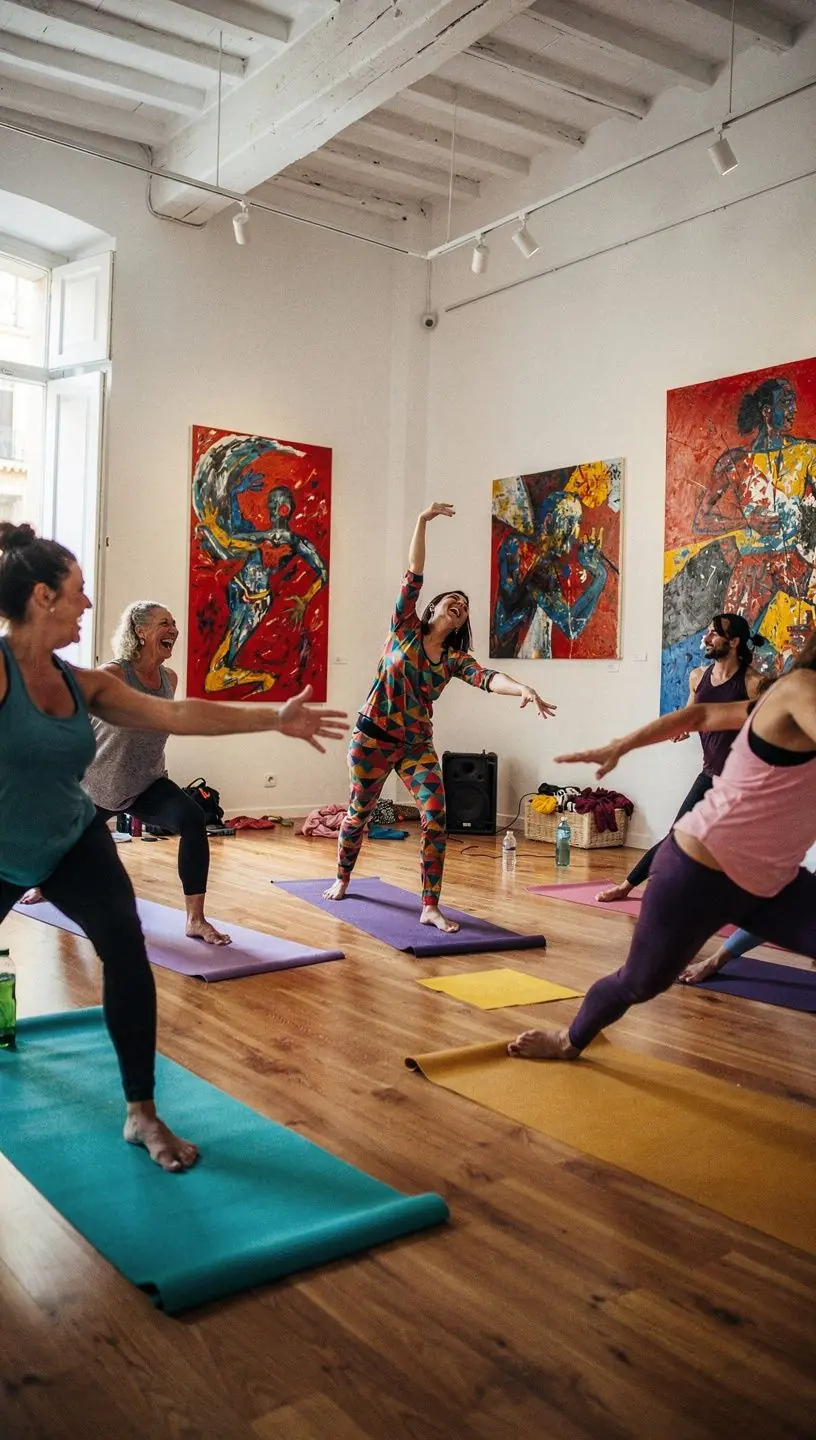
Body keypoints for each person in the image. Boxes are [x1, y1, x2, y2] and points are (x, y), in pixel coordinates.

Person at [0, 523, 347, 1170]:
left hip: (71, 839)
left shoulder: (85, 683)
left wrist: (275, 717)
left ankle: (141, 1113)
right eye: (78, 591)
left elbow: (180, 714)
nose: (88, 605)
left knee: (126, 950)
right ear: (43, 597)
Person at [508, 632, 816, 1062]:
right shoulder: (801, 688)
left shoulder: (777, 696)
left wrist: (625, 743)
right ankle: (569, 1040)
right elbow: (704, 714)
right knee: (639, 982)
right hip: (697, 871)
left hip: (772, 881)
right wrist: (623, 744)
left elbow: (705, 714)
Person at [324, 502, 556, 932]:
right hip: (371, 738)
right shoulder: (403, 627)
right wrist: (420, 521)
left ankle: (430, 904)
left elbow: (488, 677)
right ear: (432, 608)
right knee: (358, 814)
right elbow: (414, 570)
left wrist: (522, 688)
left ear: (461, 622)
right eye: (453, 599)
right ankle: (342, 878)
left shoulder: (453, 659)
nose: (459, 604)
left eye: (465, 606)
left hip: (415, 746)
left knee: (435, 818)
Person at [20, 600, 233, 945]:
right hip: (94, 785)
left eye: (175, 623)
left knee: (192, 818)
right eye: (165, 623)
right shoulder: (113, 674)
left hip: (145, 783)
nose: (174, 630)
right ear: (140, 630)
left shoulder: (169, 679)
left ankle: (195, 919)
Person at [597, 614, 765, 903]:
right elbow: (690, 717)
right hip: (711, 774)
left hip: (744, 782)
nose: (707, 639)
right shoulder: (698, 677)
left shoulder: (752, 684)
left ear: (734, 642)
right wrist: (681, 730)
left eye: (715, 634)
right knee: (678, 836)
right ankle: (626, 886)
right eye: (709, 632)